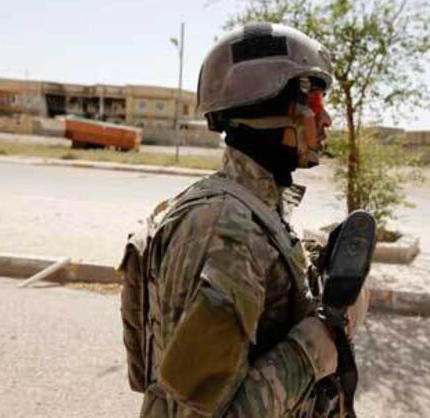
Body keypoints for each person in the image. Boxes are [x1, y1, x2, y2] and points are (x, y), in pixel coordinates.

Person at [121, 22, 357, 417]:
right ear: (269, 106)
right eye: (314, 100)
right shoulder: (224, 228)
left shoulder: (256, 209)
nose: (327, 118)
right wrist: (318, 343)